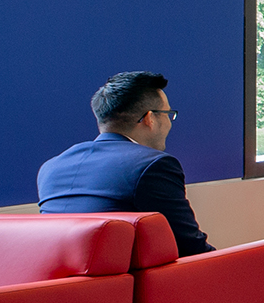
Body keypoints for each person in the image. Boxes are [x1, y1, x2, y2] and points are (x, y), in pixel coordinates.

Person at [37, 71, 214, 256]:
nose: (170, 123)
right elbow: (190, 247)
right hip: (126, 281)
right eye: (168, 114)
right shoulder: (152, 166)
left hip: (60, 281)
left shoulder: (51, 168)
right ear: (149, 118)